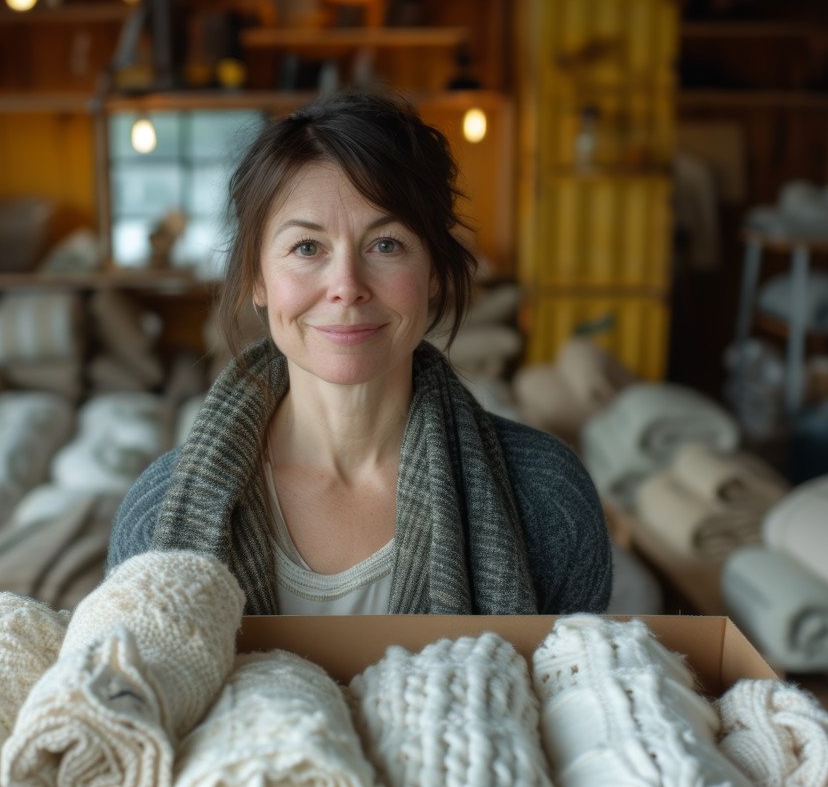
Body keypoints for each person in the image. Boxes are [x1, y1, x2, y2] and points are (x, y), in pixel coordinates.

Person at [108, 91, 611, 615]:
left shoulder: (545, 499)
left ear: (434, 271)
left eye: (386, 244)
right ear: (258, 278)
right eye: (307, 248)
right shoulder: (159, 514)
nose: (346, 286)